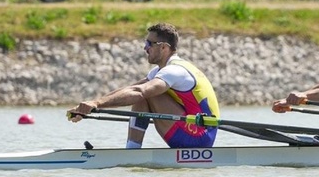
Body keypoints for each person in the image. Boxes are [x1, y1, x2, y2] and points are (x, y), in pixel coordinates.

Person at [67, 23, 220, 149]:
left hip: (198, 137)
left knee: (146, 93)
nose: (145, 48)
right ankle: (132, 149)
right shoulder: (161, 71)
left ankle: (132, 151)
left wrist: (97, 104)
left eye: (149, 44)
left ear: (164, 48)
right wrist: (90, 106)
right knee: (141, 91)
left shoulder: (174, 71)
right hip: (192, 131)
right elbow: (129, 89)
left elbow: (139, 92)